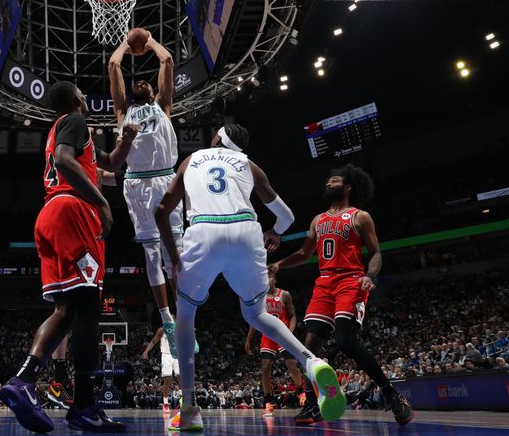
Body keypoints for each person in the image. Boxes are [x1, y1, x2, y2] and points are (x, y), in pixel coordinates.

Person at [154, 124, 346, 432]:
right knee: (255, 313)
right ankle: (313, 363)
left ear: (216, 139)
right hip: (246, 230)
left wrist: (175, 258)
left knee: (186, 315)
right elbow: (286, 217)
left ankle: (189, 408)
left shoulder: (191, 160)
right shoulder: (248, 165)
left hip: (203, 231)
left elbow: (162, 210)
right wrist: (275, 233)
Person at [0, 81, 139, 434]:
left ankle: (24, 380)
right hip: (74, 214)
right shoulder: (75, 122)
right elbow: (65, 162)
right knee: (90, 310)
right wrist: (101, 202)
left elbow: (107, 169)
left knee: (67, 310)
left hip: (51, 215)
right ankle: (84, 407)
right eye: (83, 92)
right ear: (78, 99)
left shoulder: (70, 134)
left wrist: (126, 141)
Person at [269, 164, 413, 426]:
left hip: (350, 280)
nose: (328, 183)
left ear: (348, 187)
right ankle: (313, 405)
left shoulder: (360, 216)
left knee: (346, 341)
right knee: (308, 347)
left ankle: (392, 396)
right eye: (327, 180)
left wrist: (370, 276)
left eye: (334, 180)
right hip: (324, 283)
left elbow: (376, 253)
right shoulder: (318, 219)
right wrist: (279, 264)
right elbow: (304, 254)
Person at [109, 29, 185, 356]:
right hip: (136, 183)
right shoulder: (122, 112)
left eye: (146, 83)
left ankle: (184, 316)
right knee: (152, 254)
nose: (140, 83)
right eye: (135, 83)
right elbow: (114, 66)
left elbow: (166, 59)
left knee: (174, 255)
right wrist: (126, 45)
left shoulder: (163, 106)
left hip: (165, 179)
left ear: (153, 91)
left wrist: (149, 40)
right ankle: (166, 317)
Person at [245, 271, 304, 417]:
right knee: (265, 367)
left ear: (275, 279)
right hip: (267, 335)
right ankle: (268, 403)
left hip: (283, 332)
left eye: (269, 276)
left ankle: (301, 392)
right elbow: (254, 321)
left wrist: (289, 332)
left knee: (291, 365)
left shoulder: (284, 295)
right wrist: (248, 339)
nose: (267, 279)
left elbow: (293, 316)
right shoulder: (260, 298)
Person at [141, 321, 179, 411]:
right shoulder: (162, 330)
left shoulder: (179, 328)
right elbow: (153, 341)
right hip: (166, 355)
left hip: (178, 355)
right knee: (167, 380)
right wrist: (146, 351)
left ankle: (183, 399)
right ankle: (165, 403)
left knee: (180, 377)